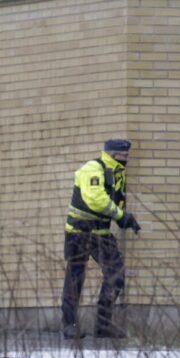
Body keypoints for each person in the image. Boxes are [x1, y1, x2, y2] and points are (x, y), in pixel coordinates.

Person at [61, 139, 141, 339]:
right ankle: (69, 325)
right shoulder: (92, 168)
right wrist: (121, 216)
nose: (127, 159)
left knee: (116, 274)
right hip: (79, 232)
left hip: (101, 233)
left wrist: (125, 218)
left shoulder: (117, 173)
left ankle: (103, 325)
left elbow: (115, 200)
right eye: (124, 156)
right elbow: (95, 200)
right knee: (75, 278)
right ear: (113, 154)